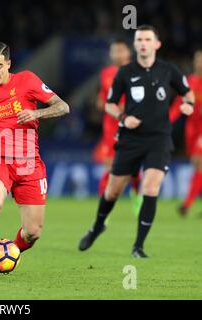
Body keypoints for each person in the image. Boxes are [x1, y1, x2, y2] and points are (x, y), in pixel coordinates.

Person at [78, 25, 195, 258]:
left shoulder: (169, 70)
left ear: (156, 44)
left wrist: (188, 105)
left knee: (150, 188)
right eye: (139, 39)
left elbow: (187, 93)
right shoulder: (125, 72)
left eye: (147, 39)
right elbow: (110, 104)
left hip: (159, 139)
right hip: (131, 139)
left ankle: (138, 246)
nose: (143, 43)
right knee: (112, 191)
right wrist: (123, 117)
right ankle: (97, 226)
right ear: (136, 45)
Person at [0, 42, 70, 265]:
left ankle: (9, 253)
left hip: (29, 163)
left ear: (9, 64)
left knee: (32, 232)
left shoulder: (27, 80)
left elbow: (63, 107)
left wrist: (36, 113)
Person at [94, 38, 142, 215]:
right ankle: (103, 211)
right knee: (109, 166)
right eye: (114, 51)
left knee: (133, 169)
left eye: (120, 50)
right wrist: (101, 103)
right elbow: (103, 97)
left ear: (128, 52)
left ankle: (137, 193)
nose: (117, 54)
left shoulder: (137, 72)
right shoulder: (106, 73)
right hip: (110, 127)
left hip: (131, 126)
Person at [169, 49, 202, 216]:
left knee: (198, 162)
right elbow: (178, 105)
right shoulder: (190, 82)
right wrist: (167, 121)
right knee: (197, 165)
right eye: (198, 59)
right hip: (192, 129)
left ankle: (187, 205)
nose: (200, 63)